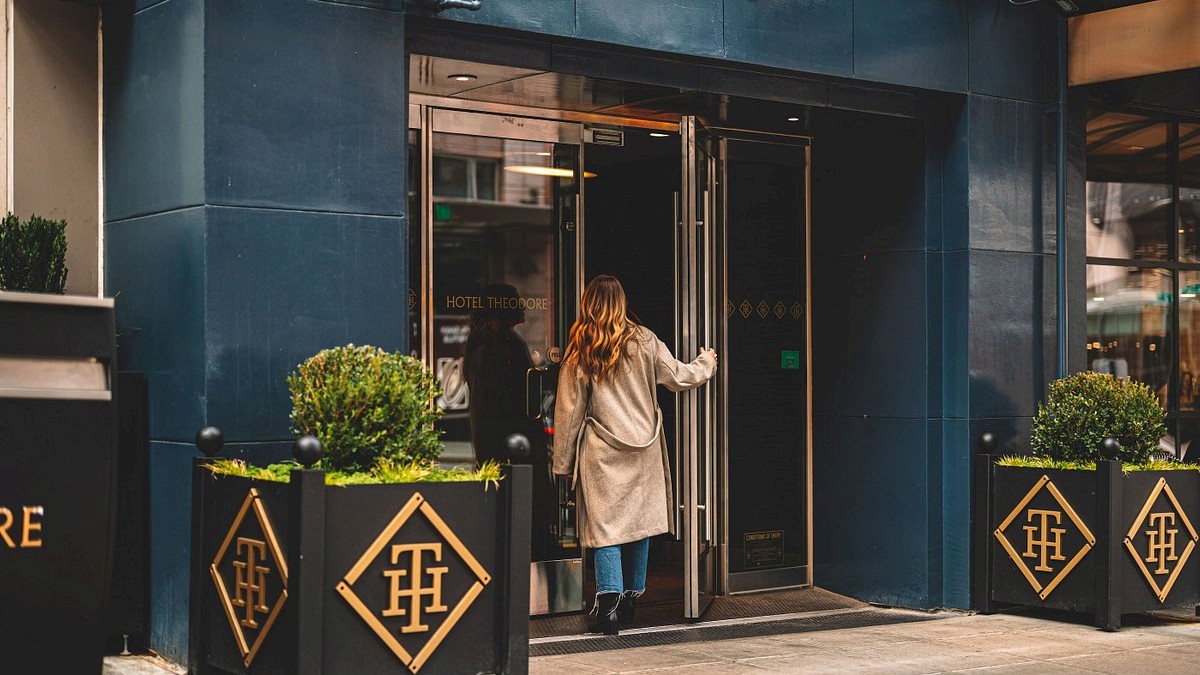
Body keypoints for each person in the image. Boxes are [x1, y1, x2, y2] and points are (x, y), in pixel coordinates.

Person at [552, 275, 717, 635]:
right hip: (644, 449)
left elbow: (569, 410)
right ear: (621, 303)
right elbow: (679, 376)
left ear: (589, 303)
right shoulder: (644, 340)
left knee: (606, 529)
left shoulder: (582, 346)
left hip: (601, 453)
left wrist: (563, 463)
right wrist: (707, 361)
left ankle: (607, 605)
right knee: (638, 524)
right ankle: (629, 600)